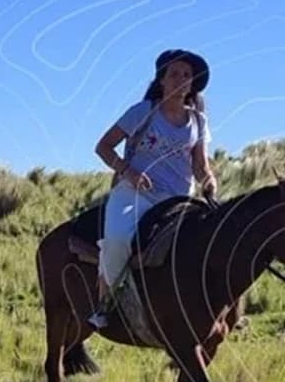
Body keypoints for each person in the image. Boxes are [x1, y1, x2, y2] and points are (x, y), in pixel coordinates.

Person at [89, 49, 215, 329]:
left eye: (186, 75)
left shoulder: (198, 121)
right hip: (135, 193)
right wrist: (127, 171)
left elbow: (200, 164)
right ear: (162, 80)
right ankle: (104, 303)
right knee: (119, 240)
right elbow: (103, 146)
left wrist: (209, 180)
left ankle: (212, 309)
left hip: (179, 199)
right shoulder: (143, 112)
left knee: (211, 241)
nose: (180, 79)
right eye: (174, 74)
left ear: (193, 84)